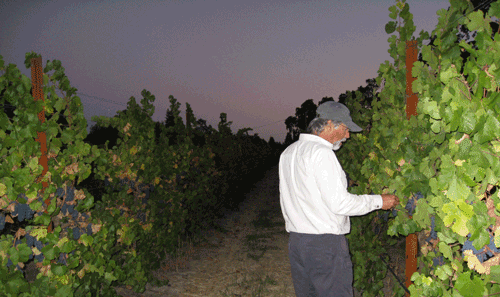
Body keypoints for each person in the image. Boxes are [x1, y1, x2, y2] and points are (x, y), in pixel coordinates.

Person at [279, 101, 400, 297]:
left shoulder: (288, 153)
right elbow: (340, 203)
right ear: (328, 125)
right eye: (345, 129)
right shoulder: (321, 154)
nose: (347, 135)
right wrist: (379, 201)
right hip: (324, 247)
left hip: (297, 244)